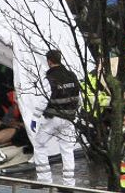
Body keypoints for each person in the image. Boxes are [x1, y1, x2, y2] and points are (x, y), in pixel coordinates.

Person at [31, 49, 80, 188]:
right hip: (69, 118)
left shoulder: (50, 79)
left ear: (49, 61)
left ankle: (44, 180)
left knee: (39, 145)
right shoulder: (72, 76)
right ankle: (69, 185)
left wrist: (35, 117)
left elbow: (43, 100)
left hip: (52, 119)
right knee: (67, 149)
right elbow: (79, 98)